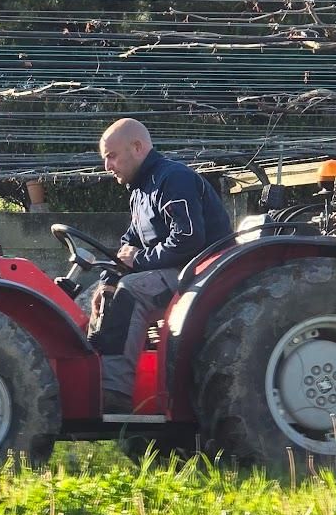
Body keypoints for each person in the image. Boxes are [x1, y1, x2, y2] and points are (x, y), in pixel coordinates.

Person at [90, 118, 232, 414]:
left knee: (131, 291)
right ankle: (92, 372)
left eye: (111, 156)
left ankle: (112, 395)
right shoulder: (139, 191)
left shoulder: (172, 178)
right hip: (173, 270)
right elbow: (128, 243)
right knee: (106, 290)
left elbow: (189, 239)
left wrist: (138, 262)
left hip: (201, 273)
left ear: (138, 148)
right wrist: (108, 277)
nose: (107, 166)